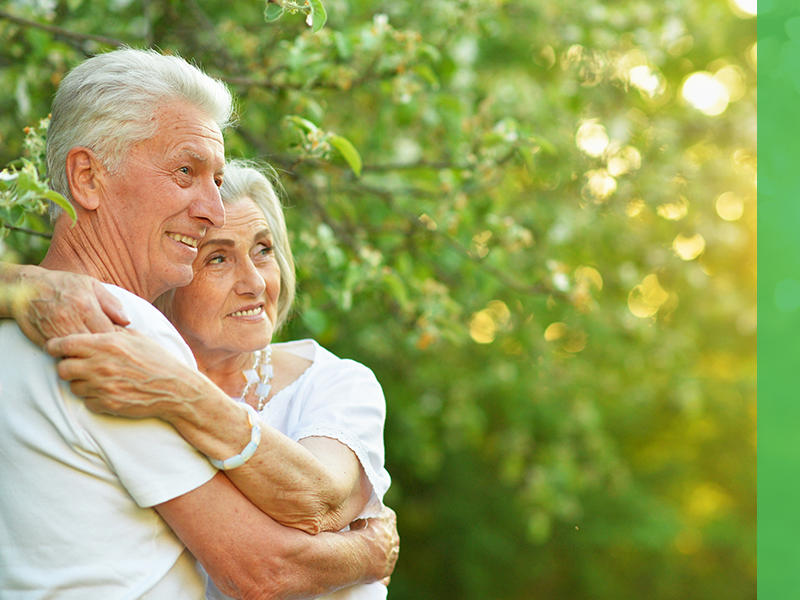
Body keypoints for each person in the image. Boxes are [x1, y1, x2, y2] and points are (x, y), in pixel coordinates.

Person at [0, 47, 397, 599]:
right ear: (87, 177)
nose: (211, 207)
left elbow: (324, 495)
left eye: (262, 250)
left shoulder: (15, 320)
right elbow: (262, 569)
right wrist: (368, 552)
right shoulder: (120, 330)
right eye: (185, 171)